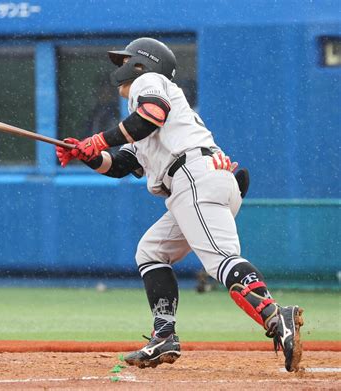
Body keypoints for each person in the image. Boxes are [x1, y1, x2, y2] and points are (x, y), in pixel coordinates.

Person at [55, 38, 303, 372]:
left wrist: (98, 138)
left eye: (126, 61)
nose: (121, 69)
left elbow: (150, 115)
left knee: (222, 263)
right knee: (151, 251)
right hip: (201, 181)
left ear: (143, 64)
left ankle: (276, 315)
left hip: (192, 178)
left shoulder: (150, 83)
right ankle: (164, 336)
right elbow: (119, 165)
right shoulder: (144, 126)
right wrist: (87, 156)